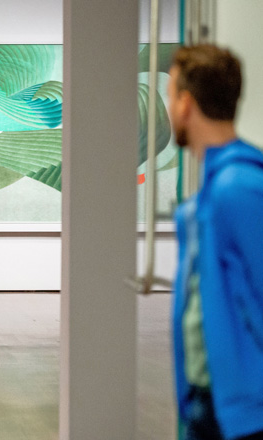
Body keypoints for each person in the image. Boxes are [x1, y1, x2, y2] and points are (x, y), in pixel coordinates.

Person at [168, 44, 263, 440]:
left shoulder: (239, 187)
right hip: (206, 402)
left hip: (242, 413)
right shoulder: (208, 194)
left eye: (171, 94)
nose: (169, 107)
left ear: (187, 103)